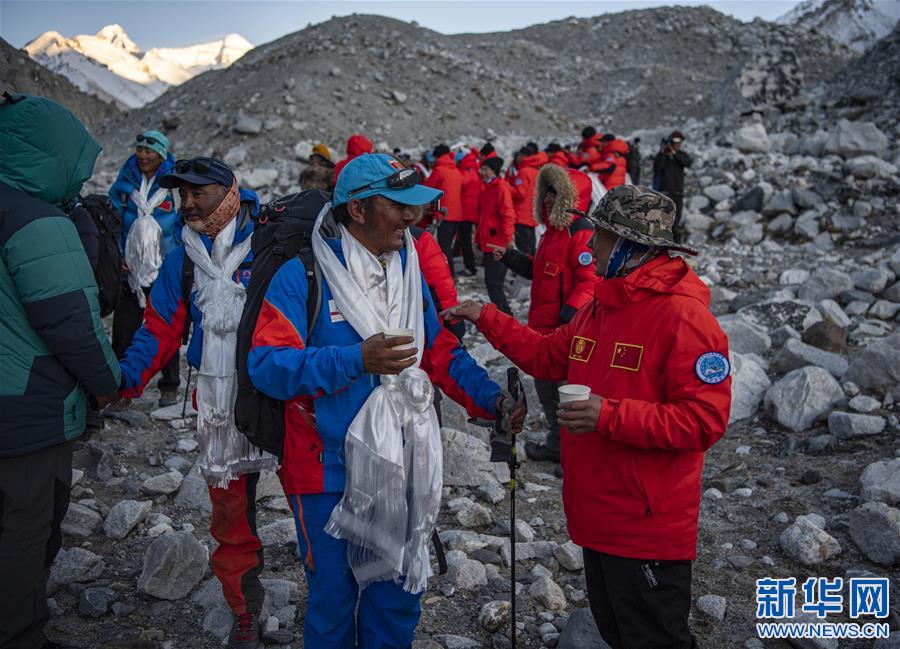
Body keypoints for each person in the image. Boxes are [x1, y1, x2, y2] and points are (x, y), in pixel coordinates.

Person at [247, 153, 524, 648]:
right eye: (399, 206)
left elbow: (438, 352)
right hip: (325, 470)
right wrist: (356, 360)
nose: (413, 217)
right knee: (333, 598)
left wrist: (492, 402)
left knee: (396, 596)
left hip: (403, 463)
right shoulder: (302, 276)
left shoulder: (407, 270)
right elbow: (267, 367)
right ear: (358, 210)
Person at [444, 185, 731, 649]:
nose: (589, 243)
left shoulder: (684, 319)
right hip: (597, 515)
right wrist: (487, 316)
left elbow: (704, 422)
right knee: (618, 632)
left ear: (630, 246)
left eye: (599, 234)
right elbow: (545, 355)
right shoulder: (602, 305)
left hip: (645, 525)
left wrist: (608, 415)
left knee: (655, 639)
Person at [117, 157, 275, 649]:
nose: (186, 204)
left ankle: (334, 608)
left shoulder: (271, 241)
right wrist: (122, 380)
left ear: (228, 193)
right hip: (217, 400)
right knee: (230, 511)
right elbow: (162, 326)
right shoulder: (184, 254)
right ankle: (244, 608)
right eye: (181, 195)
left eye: (196, 194)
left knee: (309, 499)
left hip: (280, 394)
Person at [0, 93, 121, 649]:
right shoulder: (39, 221)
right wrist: (107, 383)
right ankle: (21, 634)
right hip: (25, 405)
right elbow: (72, 323)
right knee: (26, 528)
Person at [496, 164, 598, 465]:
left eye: (555, 194)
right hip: (544, 330)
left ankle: (574, 456)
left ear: (571, 197)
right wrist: (511, 258)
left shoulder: (580, 233)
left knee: (567, 394)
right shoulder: (553, 233)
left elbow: (589, 281)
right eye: (546, 193)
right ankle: (558, 446)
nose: (548, 199)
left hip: (562, 330)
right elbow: (541, 273)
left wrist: (568, 320)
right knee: (547, 389)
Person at [108, 129, 182, 406]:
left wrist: (177, 261)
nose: (142, 155)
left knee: (166, 325)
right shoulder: (126, 179)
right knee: (124, 328)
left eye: (149, 151)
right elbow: (114, 217)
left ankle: (169, 386)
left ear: (161, 154)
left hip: (164, 267)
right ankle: (120, 387)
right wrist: (118, 254)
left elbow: (183, 221)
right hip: (131, 268)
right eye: (139, 149)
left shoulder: (173, 183)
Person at [476, 156, 516, 316]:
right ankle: (502, 316)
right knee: (492, 283)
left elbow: (508, 215)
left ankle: (505, 316)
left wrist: (507, 239)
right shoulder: (487, 188)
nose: (482, 172)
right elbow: (483, 217)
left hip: (498, 243)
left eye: (486, 169)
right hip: (488, 242)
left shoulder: (501, 188)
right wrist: (477, 239)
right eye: (482, 169)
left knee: (494, 283)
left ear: (494, 171)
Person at [423, 144, 465, 275]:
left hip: (443, 214)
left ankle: (448, 275)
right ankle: (450, 274)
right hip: (456, 214)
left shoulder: (439, 170)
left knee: (443, 247)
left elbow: (428, 189)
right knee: (448, 246)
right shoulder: (456, 171)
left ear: (437, 156)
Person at [653, 130, 692, 242]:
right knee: (663, 223)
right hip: (665, 193)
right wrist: (662, 153)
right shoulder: (662, 156)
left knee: (676, 223)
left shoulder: (681, 155)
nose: (678, 144)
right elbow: (657, 169)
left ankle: (677, 248)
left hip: (678, 193)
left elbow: (687, 162)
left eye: (680, 142)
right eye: (676, 142)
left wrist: (674, 153)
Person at [510, 144, 544, 256]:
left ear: (524, 156)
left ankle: (524, 271)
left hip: (521, 215)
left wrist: (506, 187)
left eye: (519, 155)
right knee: (531, 246)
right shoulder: (537, 172)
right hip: (532, 215)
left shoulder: (524, 172)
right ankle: (533, 269)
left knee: (522, 248)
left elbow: (520, 193)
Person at [456, 146, 480, 276]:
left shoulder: (466, 170)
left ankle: (470, 267)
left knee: (466, 241)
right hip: (470, 210)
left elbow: (462, 183)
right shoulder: (474, 167)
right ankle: (470, 265)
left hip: (466, 211)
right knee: (465, 241)